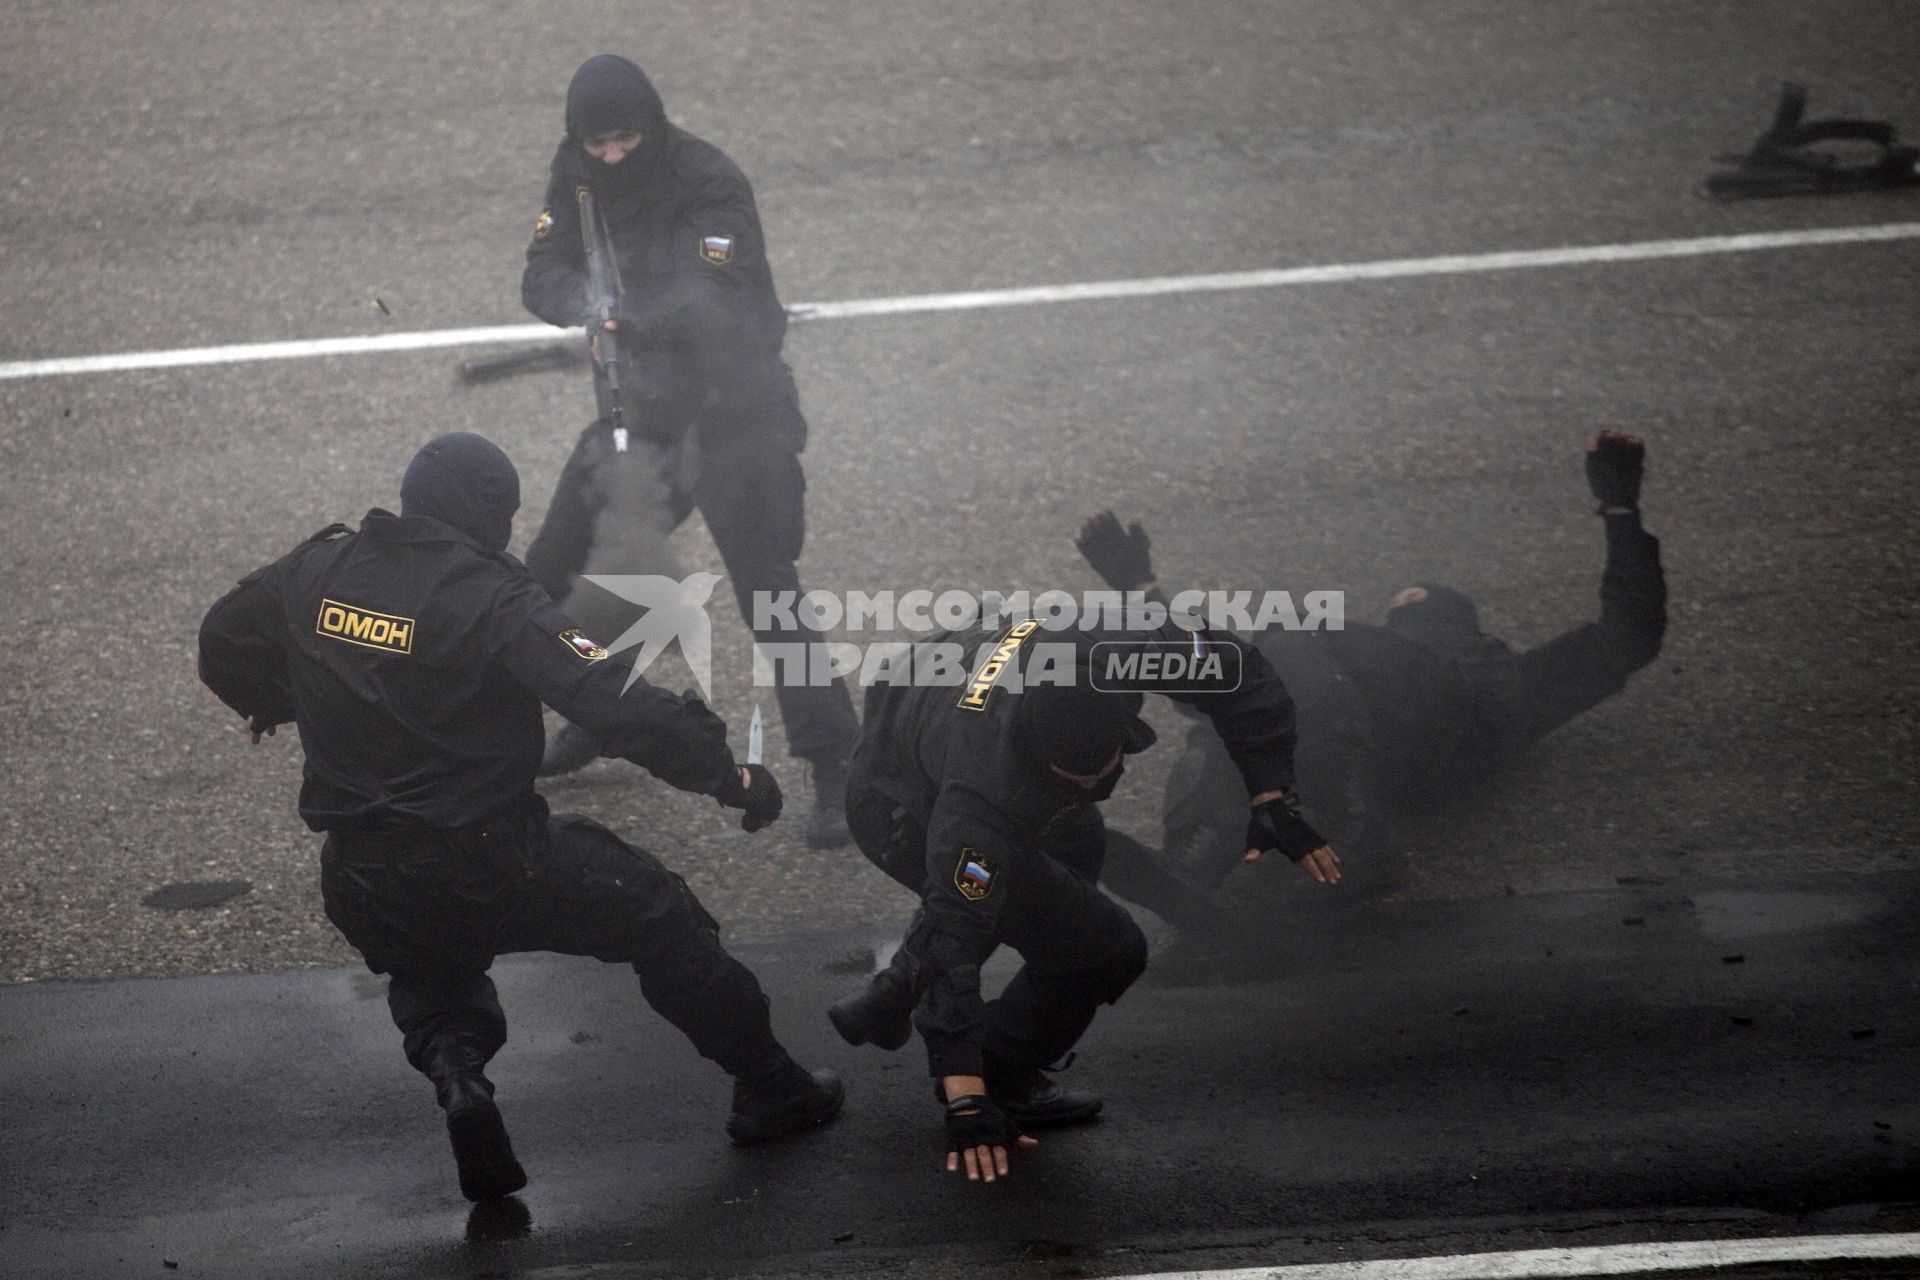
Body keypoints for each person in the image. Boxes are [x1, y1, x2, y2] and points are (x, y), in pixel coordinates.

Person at [197, 432, 844, 1204]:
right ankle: (771, 1085)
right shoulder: (496, 598)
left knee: (432, 966)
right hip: (489, 860)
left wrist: (279, 700)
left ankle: (461, 1081)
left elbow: (221, 639)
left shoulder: (315, 569)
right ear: (488, 514)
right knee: (659, 911)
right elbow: (614, 703)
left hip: (363, 877)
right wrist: (729, 777)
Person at [826, 612, 1338, 1185]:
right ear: (1040, 761)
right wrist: (965, 1096)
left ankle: (893, 991)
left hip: (933, 708)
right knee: (1103, 946)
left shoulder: (1124, 649)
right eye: (1074, 782)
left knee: (1076, 851)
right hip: (896, 804)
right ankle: (1002, 1070)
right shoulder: (978, 803)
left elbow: (1237, 668)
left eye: (1104, 773)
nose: (1096, 790)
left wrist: (1272, 794)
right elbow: (956, 927)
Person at [1076, 432, 1667, 921]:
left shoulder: (1507, 674)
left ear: (1461, 623)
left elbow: (1632, 631)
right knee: (1237, 704)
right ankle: (1197, 859)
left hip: (1446, 732)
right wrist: (1139, 590)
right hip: (1356, 747)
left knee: (1280, 646)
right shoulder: (1350, 669)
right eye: (1400, 603)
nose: (1405, 599)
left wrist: (1620, 509)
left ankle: (1352, 839)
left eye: (1420, 600)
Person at [520, 53, 860, 849]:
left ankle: (838, 766)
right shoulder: (574, 174)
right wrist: (585, 301)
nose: (610, 158)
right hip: (644, 409)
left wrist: (635, 318)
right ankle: (600, 707)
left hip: (735, 411)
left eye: (624, 140)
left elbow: (720, 299)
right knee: (556, 568)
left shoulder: (710, 181)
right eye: (597, 144)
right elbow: (542, 271)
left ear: (653, 125)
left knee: (768, 592)